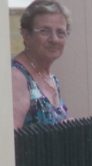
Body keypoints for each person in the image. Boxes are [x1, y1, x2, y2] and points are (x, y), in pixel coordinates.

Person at [11, 0, 71, 129]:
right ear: (26, 35)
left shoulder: (51, 79)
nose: (54, 39)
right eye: (44, 31)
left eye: (60, 32)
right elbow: (8, 141)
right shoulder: (16, 77)